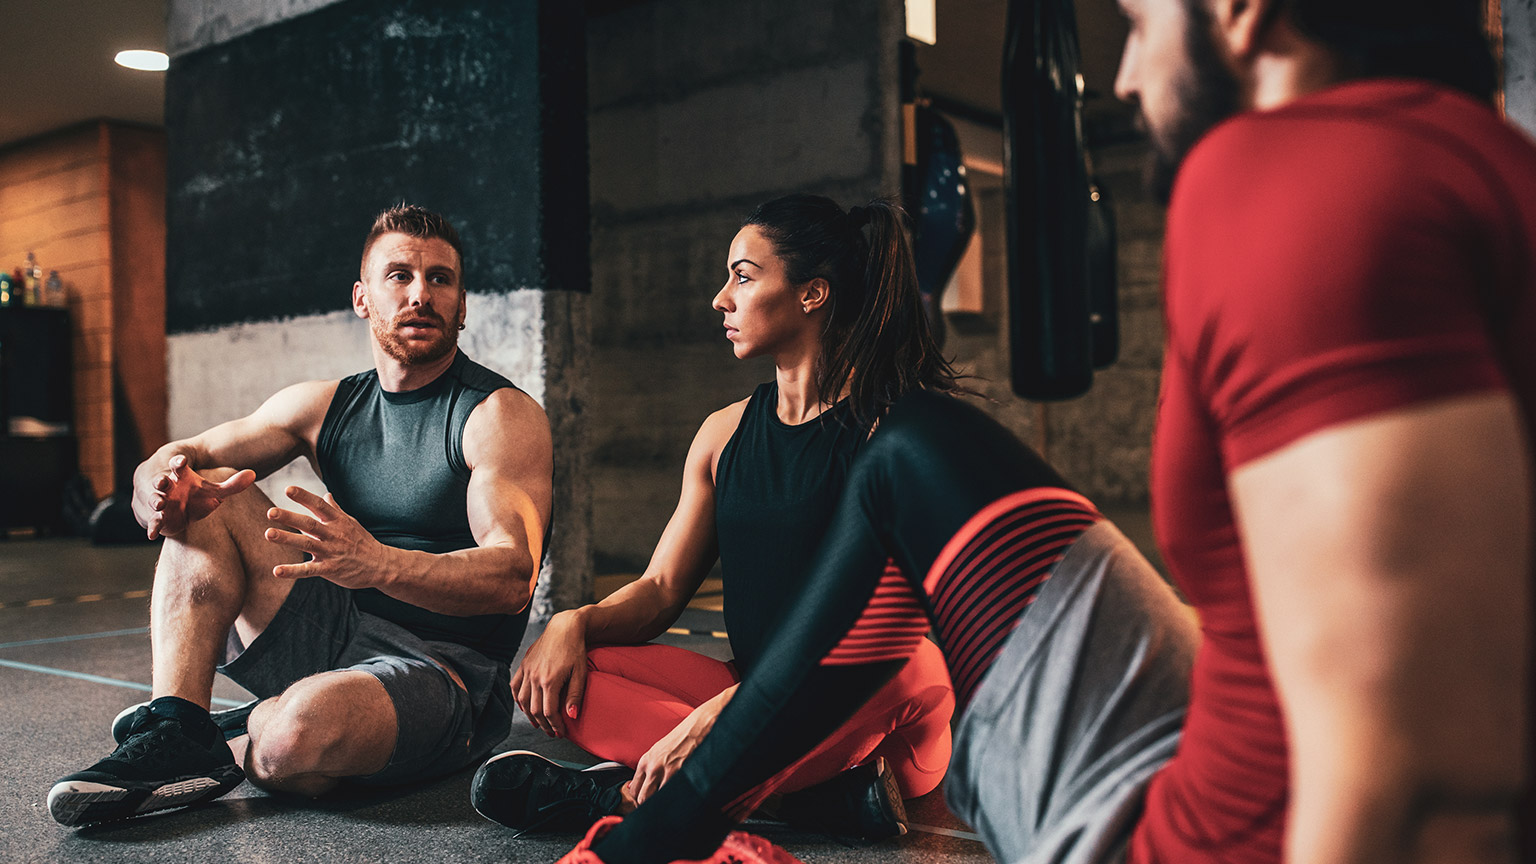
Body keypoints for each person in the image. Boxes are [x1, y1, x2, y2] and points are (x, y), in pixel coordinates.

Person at [551, 1, 1535, 863]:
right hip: (1221, 753)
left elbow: (1424, 783)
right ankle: (711, 796)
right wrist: (579, 621)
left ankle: (653, 831)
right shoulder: (1499, 171)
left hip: (1174, 832)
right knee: (906, 460)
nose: (1125, 75)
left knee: (904, 455)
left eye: (1143, 25)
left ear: (1242, 10)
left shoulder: (1291, 171)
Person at [47, 204, 554, 827]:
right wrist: (152, 476)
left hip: (444, 671)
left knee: (292, 742)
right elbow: (193, 453)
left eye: (441, 279)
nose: (421, 294)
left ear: (463, 303)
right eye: (399, 276)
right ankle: (179, 725)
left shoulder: (496, 415)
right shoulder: (326, 405)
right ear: (363, 298)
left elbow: (511, 578)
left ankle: (242, 731)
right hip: (340, 629)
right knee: (208, 492)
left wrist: (377, 563)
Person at [473, 195, 961, 839]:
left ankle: (625, 797)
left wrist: (716, 721)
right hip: (757, 703)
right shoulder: (722, 435)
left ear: (812, 294)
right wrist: (574, 621)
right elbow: (661, 589)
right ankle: (812, 804)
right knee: (566, 676)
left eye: (743, 275)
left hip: (868, 719)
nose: (721, 299)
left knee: (911, 661)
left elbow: (869, 632)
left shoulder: (891, 436)